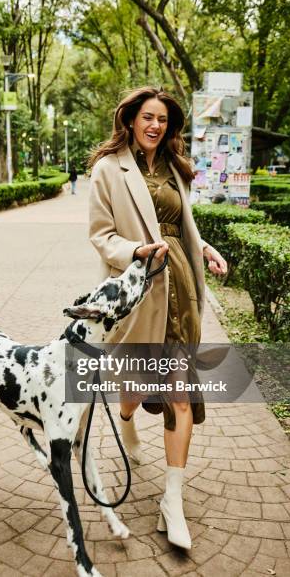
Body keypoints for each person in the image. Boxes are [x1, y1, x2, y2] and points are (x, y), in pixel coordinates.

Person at [88, 86, 227, 550]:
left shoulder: (176, 169)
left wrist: (204, 248)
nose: (155, 126)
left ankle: (173, 499)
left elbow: (184, 224)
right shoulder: (108, 169)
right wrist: (134, 251)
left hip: (180, 288)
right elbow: (101, 235)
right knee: (133, 386)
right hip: (138, 287)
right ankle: (127, 417)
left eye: (163, 120)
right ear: (130, 120)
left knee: (180, 395)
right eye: (148, 117)